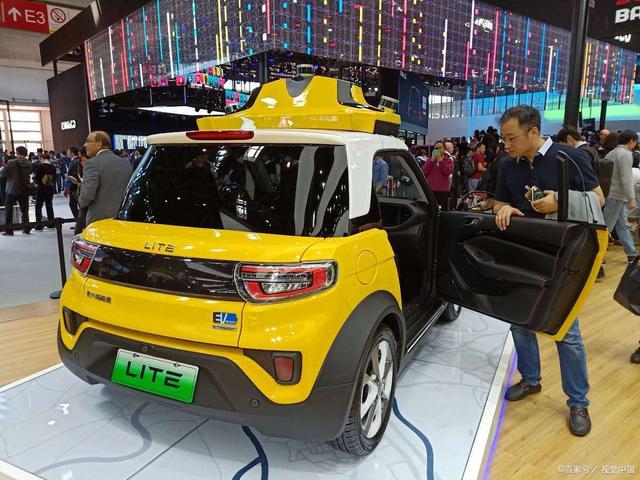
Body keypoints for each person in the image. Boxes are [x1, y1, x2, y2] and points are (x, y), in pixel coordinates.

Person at [493, 105, 604, 437]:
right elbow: (498, 201)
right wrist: (504, 208)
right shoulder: (507, 165)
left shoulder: (570, 157)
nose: (506, 145)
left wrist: (561, 202)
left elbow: (598, 199)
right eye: (503, 139)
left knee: (566, 330)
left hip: (563, 255)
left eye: (511, 138)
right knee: (519, 320)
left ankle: (578, 402)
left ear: (533, 132)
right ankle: (531, 379)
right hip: (522, 251)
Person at [78, 131, 133, 226]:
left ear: (99, 144)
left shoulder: (92, 164)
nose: (85, 145)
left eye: (88, 141)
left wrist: (80, 201)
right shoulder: (125, 163)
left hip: (99, 219)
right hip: (123, 217)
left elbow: (87, 195)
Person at [602, 130, 638, 265]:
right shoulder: (626, 154)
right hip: (617, 195)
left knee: (622, 226)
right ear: (631, 141)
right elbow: (626, 178)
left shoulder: (612, 153)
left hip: (612, 194)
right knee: (605, 228)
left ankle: (632, 254)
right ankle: (595, 255)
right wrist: (631, 199)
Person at [0, 146, 32, 236]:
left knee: (9, 210)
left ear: (17, 153)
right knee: (24, 210)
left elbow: (3, 174)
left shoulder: (11, 162)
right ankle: (26, 228)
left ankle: (9, 230)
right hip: (24, 189)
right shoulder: (29, 164)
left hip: (11, 189)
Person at [422, 141, 454, 209]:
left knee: (442, 209)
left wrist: (441, 161)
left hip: (443, 190)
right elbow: (424, 170)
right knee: (431, 208)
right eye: (436, 148)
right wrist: (431, 161)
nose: (438, 150)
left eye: (440, 148)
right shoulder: (430, 160)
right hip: (431, 189)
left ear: (444, 149)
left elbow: (448, 171)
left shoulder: (448, 160)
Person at [33, 153, 56, 230]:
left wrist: (34, 180)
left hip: (41, 188)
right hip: (50, 187)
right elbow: (54, 178)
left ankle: (39, 224)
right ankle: (51, 223)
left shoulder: (41, 166)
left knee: (38, 206)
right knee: (49, 205)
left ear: (42, 158)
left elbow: (37, 178)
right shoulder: (53, 167)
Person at [65, 147, 81, 225]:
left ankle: (79, 222)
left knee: (73, 204)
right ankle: (79, 222)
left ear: (72, 152)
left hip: (75, 186)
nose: (67, 153)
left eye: (68, 151)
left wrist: (69, 177)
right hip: (75, 186)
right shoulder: (74, 161)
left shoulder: (75, 161)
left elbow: (75, 174)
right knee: (76, 204)